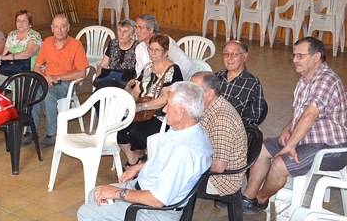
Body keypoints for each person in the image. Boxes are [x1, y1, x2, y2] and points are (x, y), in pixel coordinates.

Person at [77, 82, 212, 221]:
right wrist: (139, 167)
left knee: (87, 214)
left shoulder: (184, 152)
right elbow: (164, 166)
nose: (164, 109)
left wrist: (119, 193)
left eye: (168, 105)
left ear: (182, 111)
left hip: (156, 212)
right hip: (146, 188)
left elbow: (157, 200)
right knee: (93, 194)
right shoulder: (190, 131)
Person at [241, 37, 347, 214]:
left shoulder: (325, 80)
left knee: (279, 164)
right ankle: (247, 198)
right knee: (261, 149)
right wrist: (287, 129)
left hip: (332, 147)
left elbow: (310, 115)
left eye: (300, 56)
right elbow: (302, 114)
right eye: (294, 55)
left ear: (317, 56)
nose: (294, 60)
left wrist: (291, 145)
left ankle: (261, 199)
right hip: (309, 137)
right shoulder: (305, 79)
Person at [22, 15, 89, 147]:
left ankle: (51, 133)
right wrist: (44, 78)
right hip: (46, 80)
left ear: (68, 28)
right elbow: (36, 67)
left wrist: (57, 77)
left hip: (65, 83)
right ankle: (31, 131)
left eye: (63, 26)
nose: (60, 30)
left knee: (49, 94)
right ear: (52, 28)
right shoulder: (47, 42)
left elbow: (82, 73)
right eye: (56, 27)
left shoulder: (76, 44)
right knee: (32, 92)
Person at [118, 34, 183, 167]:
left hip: (160, 114)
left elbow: (166, 99)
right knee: (119, 128)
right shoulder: (148, 67)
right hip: (142, 110)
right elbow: (137, 90)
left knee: (136, 133)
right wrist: (129, 102)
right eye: (150, 49)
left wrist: (141, 107)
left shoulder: (173, 70)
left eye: (157, 50)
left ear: (166, 52)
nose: (152, 53)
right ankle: (135, 161)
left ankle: (139, 157)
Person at [191, 72, 247, 196]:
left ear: (210, 94)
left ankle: (166, 212)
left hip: (220, 180)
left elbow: (218, 166)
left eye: (194, 92)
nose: (190, 96)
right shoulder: (208, 108)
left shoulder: (221, 119)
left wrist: (187, 161)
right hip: (210, 170)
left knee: (171, 176)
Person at [215, 40, 266, 127]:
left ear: (245, 57)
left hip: (234, 132)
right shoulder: (215, 78)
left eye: (235, 54)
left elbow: (254, 119)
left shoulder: (252, 83)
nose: (229, 58)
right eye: (226, 54)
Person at [0, 10, 43, 88]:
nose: (21, 23)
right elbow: (4, 55)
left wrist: (7, 57)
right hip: (12, 69)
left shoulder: (35, 35)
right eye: (18, 21)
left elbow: (28, 53)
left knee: (18, 83)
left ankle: (17, 100)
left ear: (30, 23)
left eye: (24, 21)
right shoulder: (11, 35)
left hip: (28, 71)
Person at [93, 19, 139, 89]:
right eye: (120, 30)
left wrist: (132, 82)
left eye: (125, 31)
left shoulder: (138, 46)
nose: (121, 34)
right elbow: (103, 65)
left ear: (132, 35)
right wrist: (98, 76)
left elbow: (142, 71)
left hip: (128, 80)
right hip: (111, 77)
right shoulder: (113, 43)